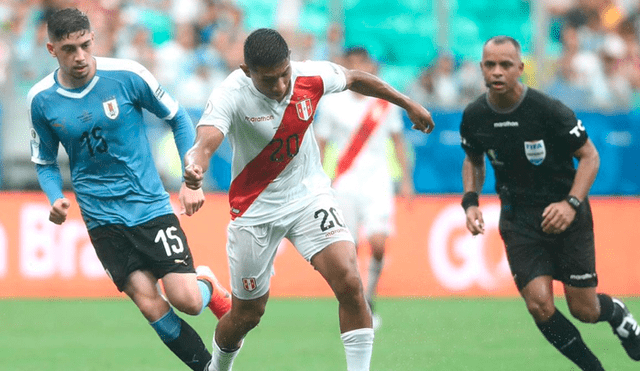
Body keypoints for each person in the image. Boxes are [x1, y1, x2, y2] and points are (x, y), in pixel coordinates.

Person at [183, 28, 434, 371]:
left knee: (349, 280)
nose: (281, 86)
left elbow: (356, 78)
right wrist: (194, 167)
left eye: (285, 73)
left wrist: (408, 103)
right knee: (247, 314)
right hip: (256, 209)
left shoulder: (309, 75)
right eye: (269, 80)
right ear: (247, 71)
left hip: (308, 197)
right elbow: (206, 140)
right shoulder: (231, 92)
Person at [27, 8, 231, 371]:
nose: (79, 57)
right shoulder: (41, 100)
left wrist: (190, 177)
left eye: (85, 45)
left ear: (93, 39)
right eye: (69, 49)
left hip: (149, 207)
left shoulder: (126, 75)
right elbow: (44, 161)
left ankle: (208, 286)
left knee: (188, 301)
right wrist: (55, 198)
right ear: (51, 50)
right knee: (148, 303)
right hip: (101, 219)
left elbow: (177, 117)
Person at [459, 35, 640, 370]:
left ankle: (620, 317)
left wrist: (571, 203)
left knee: (584, 310)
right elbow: (473, 159)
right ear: (482, 67)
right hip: (518, 218)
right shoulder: (475, 115)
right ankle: (592, 367)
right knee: (539, 304)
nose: (497, 71)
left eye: (505, 65)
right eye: (490, 64)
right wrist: (470, 202)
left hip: (566, 214)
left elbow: (590, 157)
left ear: (520, 69)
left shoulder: (548, 110)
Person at [314, 46, 413, 330]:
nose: (358, 68)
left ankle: (370, 296)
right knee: (350, 249)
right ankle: (357, 304)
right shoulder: (332, 103)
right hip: (344, 182)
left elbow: (398, 141)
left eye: (363, 63)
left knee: (379, 244)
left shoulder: (384, 101)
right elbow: (321, 143)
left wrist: (406, 179)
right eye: (352, 63)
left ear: (370, 66)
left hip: (378, 181)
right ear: (346, 66)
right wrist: (319, 180)